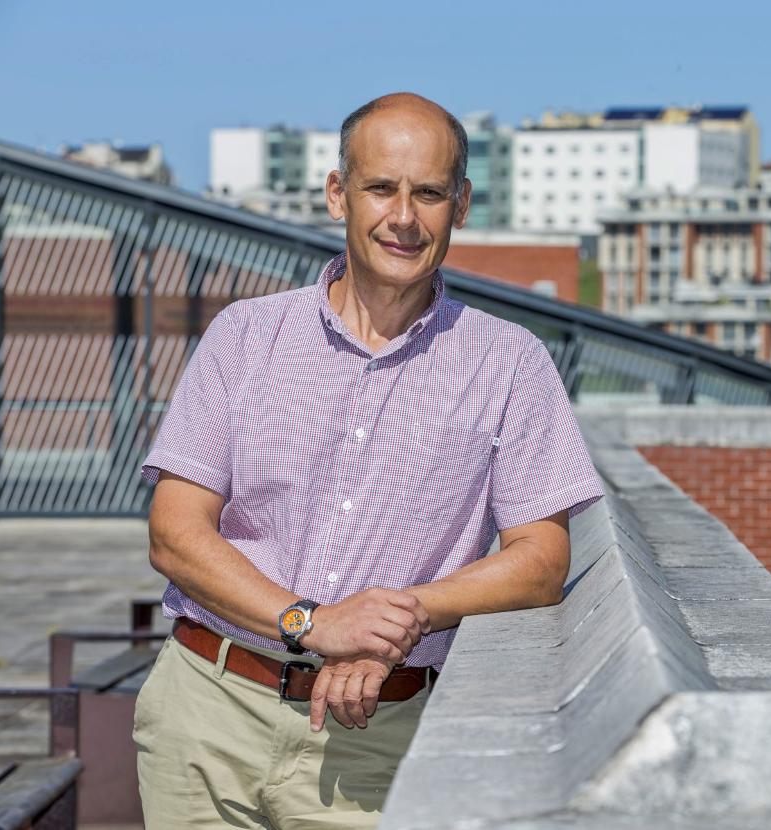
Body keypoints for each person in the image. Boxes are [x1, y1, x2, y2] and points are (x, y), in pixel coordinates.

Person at [134, 92, 604, 828]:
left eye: (430, 193)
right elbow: (175, 533)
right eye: (382, 188)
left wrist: (399, 619)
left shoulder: (510, 363)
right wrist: (314, 624)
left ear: (463, 205)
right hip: (207, 713)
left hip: (374, 740)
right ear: (337, 195)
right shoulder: (245, 337)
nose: (405, 217)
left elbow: (542, 560)